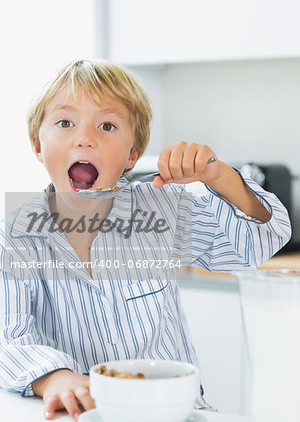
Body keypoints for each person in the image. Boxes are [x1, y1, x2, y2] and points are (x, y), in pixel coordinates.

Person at [0, 59, 291, 421]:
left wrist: (219, 175)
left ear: (132, 154)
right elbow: (9, 336)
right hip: (86, 413)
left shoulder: (163, 211)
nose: (84, 137)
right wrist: (54, 377)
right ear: (37, 145)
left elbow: (261, 239)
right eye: (65, 123)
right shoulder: (16, 235)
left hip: (176, 411)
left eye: (107, 125)